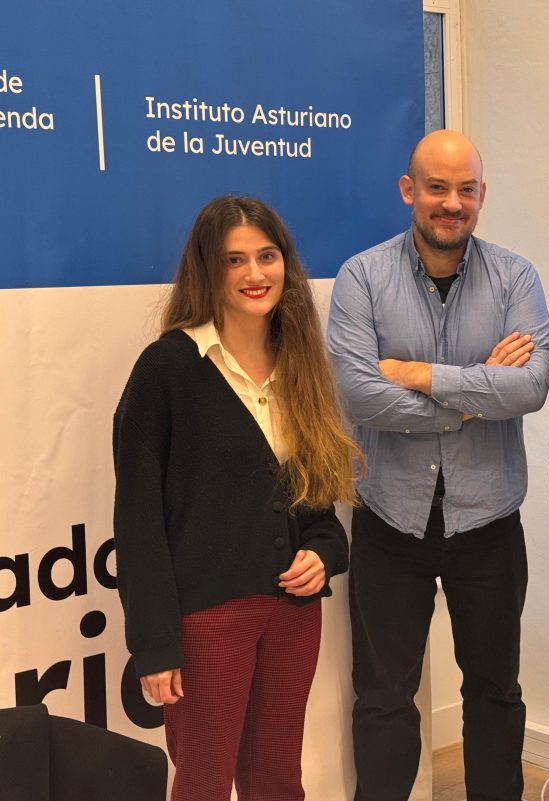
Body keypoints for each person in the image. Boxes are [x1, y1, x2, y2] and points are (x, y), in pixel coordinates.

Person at [327, 129, 549, 801]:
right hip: (389, 521)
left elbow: (530, 388)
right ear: (409, 191)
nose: (451, 203)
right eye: (436, 188)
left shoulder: (516, 278)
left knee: (495, 691)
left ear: (482, 195)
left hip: (488, 522)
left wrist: (419, 374)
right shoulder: (362, 277)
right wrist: (474, 397)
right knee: (383, 696)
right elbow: (358, 395)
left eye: (465, 189)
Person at [113, 196, 360, 801]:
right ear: (208, 269)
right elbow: (138, 523)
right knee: (203, 783)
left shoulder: (298, 363)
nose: (255, 273)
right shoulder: (166, 369)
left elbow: (317, 507)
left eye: (267, 256)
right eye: (235, 260)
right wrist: (154, 645)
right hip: (206, 621)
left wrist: (324, 553)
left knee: (278, 779)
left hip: (292, 615)